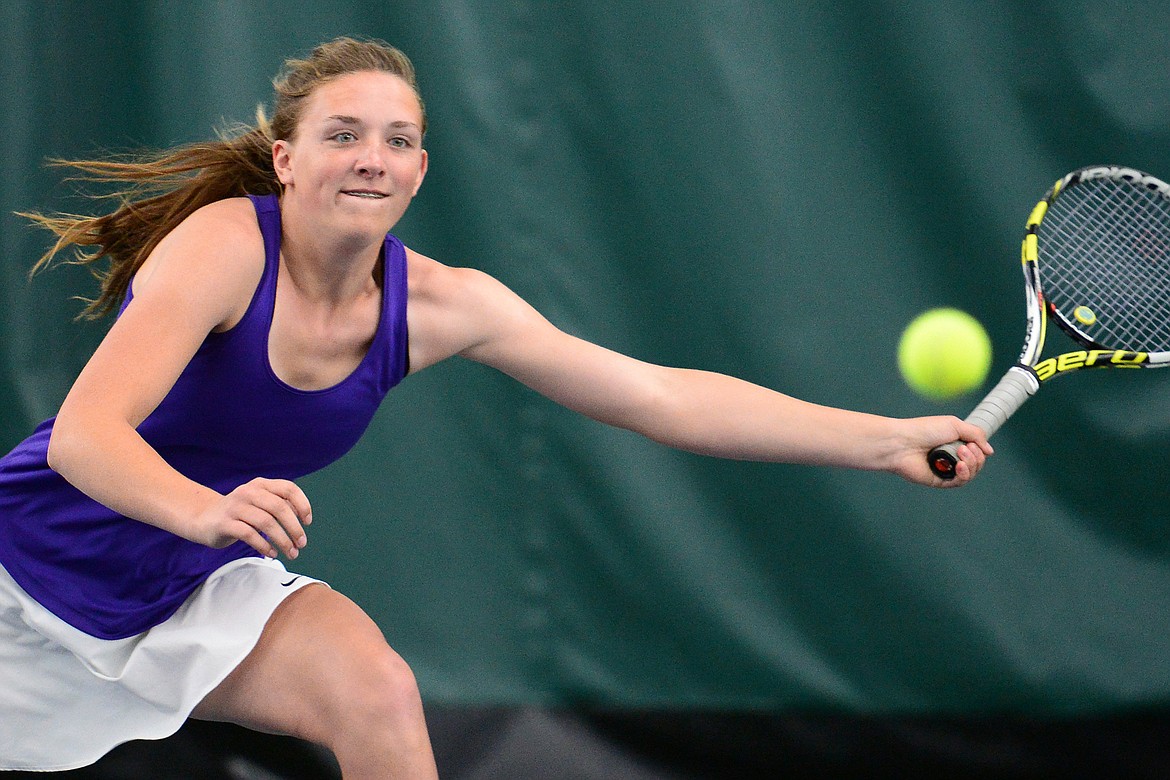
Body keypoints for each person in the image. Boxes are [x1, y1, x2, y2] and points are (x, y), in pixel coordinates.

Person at [0, 36, 991, 778]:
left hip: (184, 586)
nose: (370, 158)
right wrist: (204, 511)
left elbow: (660, 398)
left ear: (420, 171)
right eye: (342, 134)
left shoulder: (444, 305)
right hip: (27, 561)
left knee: (377, 692)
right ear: (287, 158)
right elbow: (89, 436)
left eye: (397, 140)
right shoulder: (226, 245)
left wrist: (885, 440)